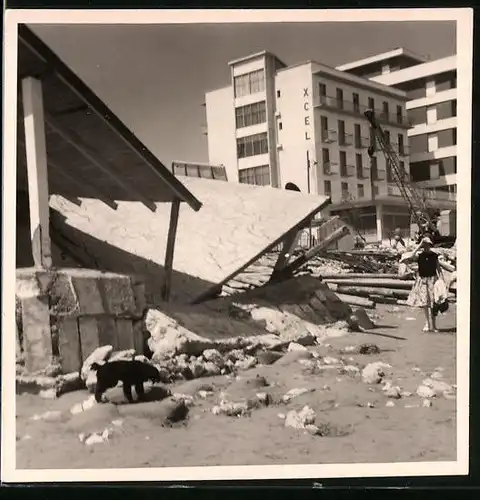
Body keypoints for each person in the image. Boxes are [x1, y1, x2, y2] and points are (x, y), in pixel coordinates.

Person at [405, 236, 443, 332]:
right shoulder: (419, 255)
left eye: (428, 245)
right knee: (425, 304)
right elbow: (410, 256)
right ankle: (427, 323)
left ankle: (434, 325)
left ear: (430, 245)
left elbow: (439, 269)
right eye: (424, 245)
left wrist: (442, 281)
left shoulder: (434, 255)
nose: (426, 247)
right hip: (423, 281)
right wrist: (420, 244)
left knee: (434, 303)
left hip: (433, 280)